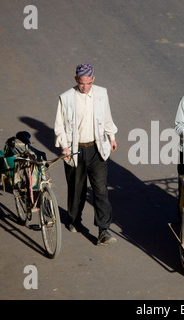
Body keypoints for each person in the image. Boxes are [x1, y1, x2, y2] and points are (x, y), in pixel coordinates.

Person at [54, 63, 118, 246]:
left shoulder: (101, 93)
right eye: (82, 83)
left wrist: (111, 137)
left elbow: (107, 117)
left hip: (97, 148)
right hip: (75, 150)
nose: (85, 87)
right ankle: (74, 220)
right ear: (76, 80)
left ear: (93, 80)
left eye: (89, 83)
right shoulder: (66, 98)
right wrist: (64, 147)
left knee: (100, 191)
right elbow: (60, 125)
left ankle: (103, 230)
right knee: (77, 190)